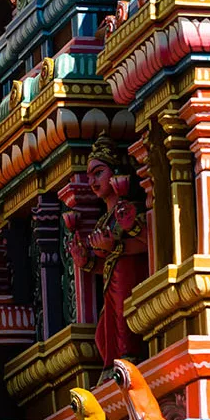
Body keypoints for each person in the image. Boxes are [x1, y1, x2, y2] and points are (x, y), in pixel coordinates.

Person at [67, 135, 146, 364]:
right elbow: (109, 262)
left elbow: (149, 244)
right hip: (112, 285)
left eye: (98, 173)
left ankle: (126, 364)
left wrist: (118, 243)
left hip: (129, 280)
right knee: (103, 336)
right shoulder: (104, 221)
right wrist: (87, 263)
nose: (92, 181)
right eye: (89, 176)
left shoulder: (132, 210)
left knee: (124, 329)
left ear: (117, 174)